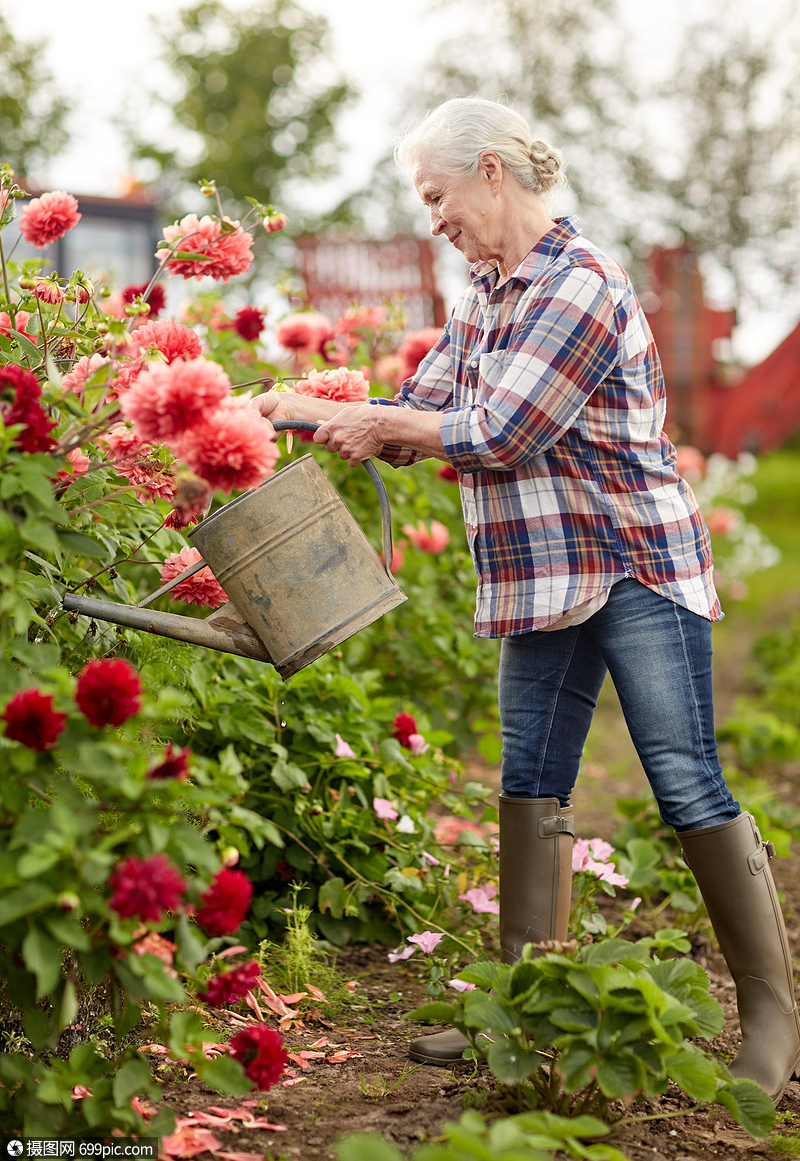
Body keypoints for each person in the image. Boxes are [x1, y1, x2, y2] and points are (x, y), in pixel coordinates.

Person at [252, 96, 800, 1102]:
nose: (432, 219)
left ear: (491, 172)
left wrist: (376, 421)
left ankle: (770, 1019)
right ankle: (523, 1006)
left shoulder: (578, 286)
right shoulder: (487, 292)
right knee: (528, 780)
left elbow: (503, 429)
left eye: (437, 195)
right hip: (541, 572)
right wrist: (311, 412)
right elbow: (426, 411)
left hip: (632, 563)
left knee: (680, 780)